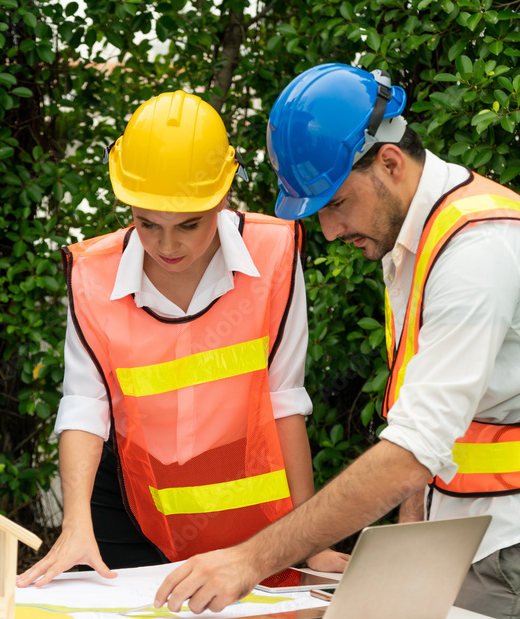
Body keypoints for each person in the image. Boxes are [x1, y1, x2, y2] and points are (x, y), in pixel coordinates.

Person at [154, 64, 520, 619]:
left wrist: (251, 559)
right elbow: (432, 422)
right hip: (481, 527)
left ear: (388, 162)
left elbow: (413, 450)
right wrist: (409, 547)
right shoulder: (419, 235)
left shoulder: (476, 255)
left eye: (335, 204)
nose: (329, 231)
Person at [18, 91, 348, 589]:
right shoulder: (93, 274)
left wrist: (308, 537)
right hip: (131, 510)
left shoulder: (274, 252)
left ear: (222, 197)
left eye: (189, 225)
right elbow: (85, 406)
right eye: (146, 223)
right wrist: (76, 526)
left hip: (249, 512)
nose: (167, 246)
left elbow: (284, 402)